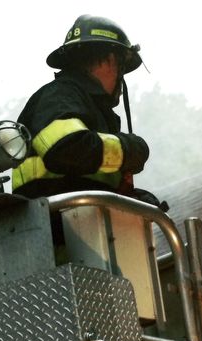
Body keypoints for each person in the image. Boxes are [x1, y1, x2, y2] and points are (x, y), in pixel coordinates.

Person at [11, 14, 152, 201]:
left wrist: (131, 199)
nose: (122, 77)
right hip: (55, 225)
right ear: (110, 60)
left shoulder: (88, 107)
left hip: (80, 222)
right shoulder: (60, 95)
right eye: (122, 67)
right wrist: (130, 149)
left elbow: (86, 181)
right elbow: (66, 148)